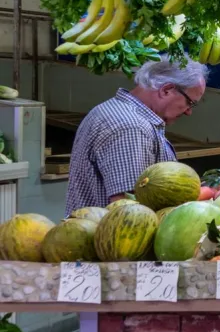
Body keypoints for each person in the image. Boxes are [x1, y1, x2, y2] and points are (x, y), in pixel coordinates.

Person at [64, 58, 208, 215]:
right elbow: (129, 211)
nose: (189, 112)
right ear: (166, 90)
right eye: (190, 103)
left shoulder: (113, 109)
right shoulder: (132, 128)